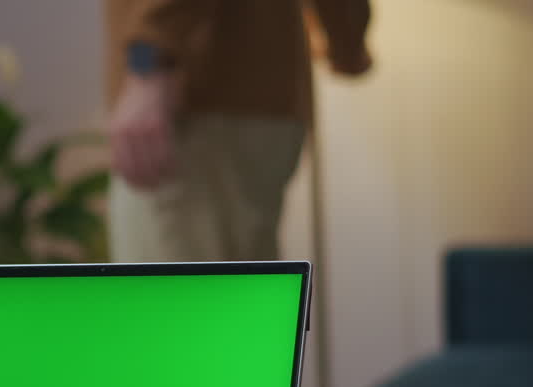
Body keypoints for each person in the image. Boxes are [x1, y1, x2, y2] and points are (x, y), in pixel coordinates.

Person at [105, 0, 372, 263]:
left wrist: (150, 60)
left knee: (174, 298)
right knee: (235, 293)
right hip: (262, 98)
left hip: (197, 97)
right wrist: (346, 36)